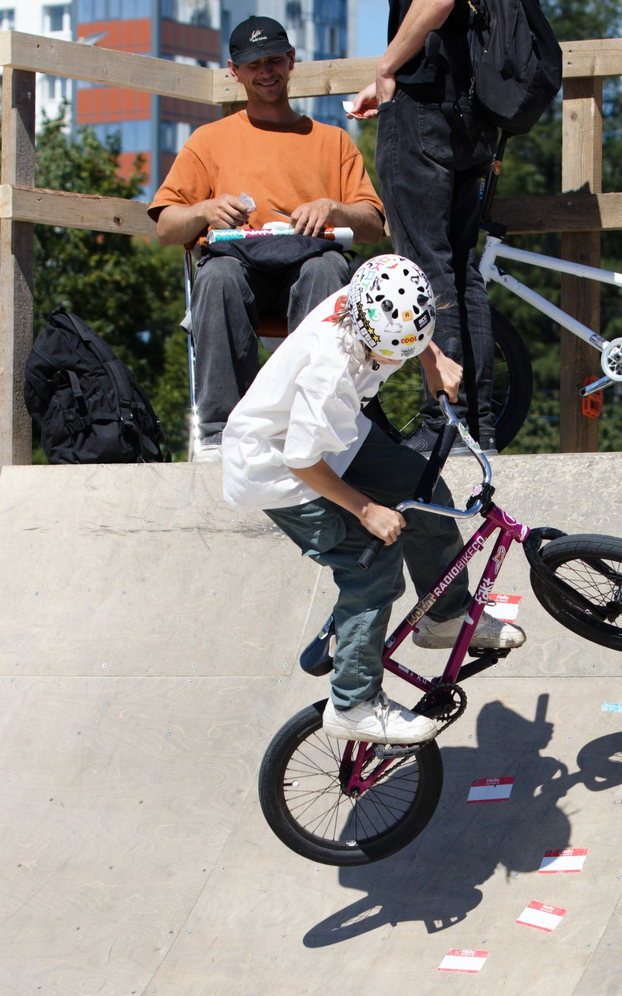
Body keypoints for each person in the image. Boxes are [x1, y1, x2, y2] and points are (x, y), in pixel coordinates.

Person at [220, 253, 525, 746]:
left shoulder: (380, 292)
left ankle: (443, 616)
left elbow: (409, 325)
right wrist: (365, 510)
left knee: (424, 495)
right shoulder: (329, 367)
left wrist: (432, 358)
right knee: (374, 564)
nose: (391, 363)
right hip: (278, 467)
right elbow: (301, 459)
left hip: (334, 438)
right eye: (387, 355)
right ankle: (353, 702)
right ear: (362, 331)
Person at [332, 0, 500, 452]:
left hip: (426, 113)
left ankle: (446, 428)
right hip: (467, 114)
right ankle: (475, 425)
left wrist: (386, 68)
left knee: (424, 271)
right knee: (461, 270)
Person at [152, 14, 388, 445]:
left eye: (274, 59)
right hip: (239, 268)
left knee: (327, 271)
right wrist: (205, 208)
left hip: (309, 265)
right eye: (253, 63)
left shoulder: (332, 140)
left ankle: (315, 422)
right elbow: (167, 228)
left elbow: (374, 225)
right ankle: (218, 433)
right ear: (234, 70)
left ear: (291, 60)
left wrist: (334, 208)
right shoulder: (209, 140)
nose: (266, 71)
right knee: (217, 277)